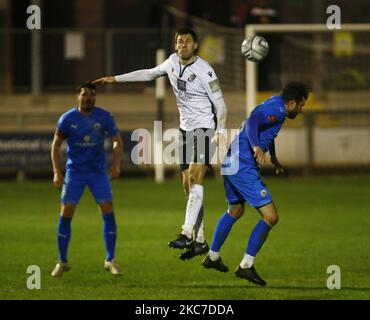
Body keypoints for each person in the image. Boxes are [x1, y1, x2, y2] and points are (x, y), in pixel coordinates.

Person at [93, 27, 227, 261]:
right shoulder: (172, 62)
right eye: (179, 42)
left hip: (205, 128)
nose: (182, 45)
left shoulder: (206, 71)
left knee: (196, 179)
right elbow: (148, 73)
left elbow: (221, 105)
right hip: (185, 130)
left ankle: (186, 233)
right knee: (188, 186)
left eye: (187, 42)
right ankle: (201, 240)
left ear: (195, 45)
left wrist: (221, 132)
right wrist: (115, 79)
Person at [202, 81, 309, 286]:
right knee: (271, 216)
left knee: (235, 210)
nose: (302, 109)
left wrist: (274, 157)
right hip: (243, 166)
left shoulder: (276, 105)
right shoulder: (278, 110)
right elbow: (252, 122)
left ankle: (213, 255)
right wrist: (257, 147)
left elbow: (266, 131)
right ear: (293, 103)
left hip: (231, 162)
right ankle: (246, 265)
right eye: (302, 105)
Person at [51, 82, 123, 277]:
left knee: (108, 211)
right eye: (85, 94)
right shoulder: (67, 119)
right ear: (78, 97)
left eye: (92, 94)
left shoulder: (104, 116)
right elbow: (55, 146)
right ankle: (62, 260)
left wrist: (115, 165)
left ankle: (110, 259)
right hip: (74, 172)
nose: (89, 98)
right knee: (66, 213)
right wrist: (57, 172)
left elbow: (117, 140)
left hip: (98, 172)